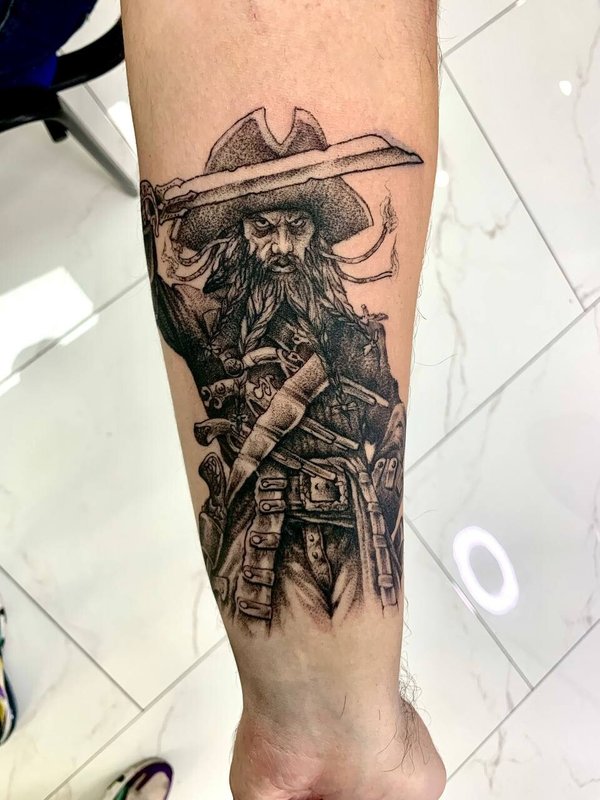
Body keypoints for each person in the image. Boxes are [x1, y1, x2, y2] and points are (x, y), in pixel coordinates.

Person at [122, 1, 445, 798]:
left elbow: (383, 435)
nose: (280, 247)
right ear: (239, 239)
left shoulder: (354, 338)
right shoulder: (216, 329)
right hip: (266, 539)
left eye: (296, 229)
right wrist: (314, 728)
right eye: (262, 230)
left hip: (358, 534)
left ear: (316, 237)